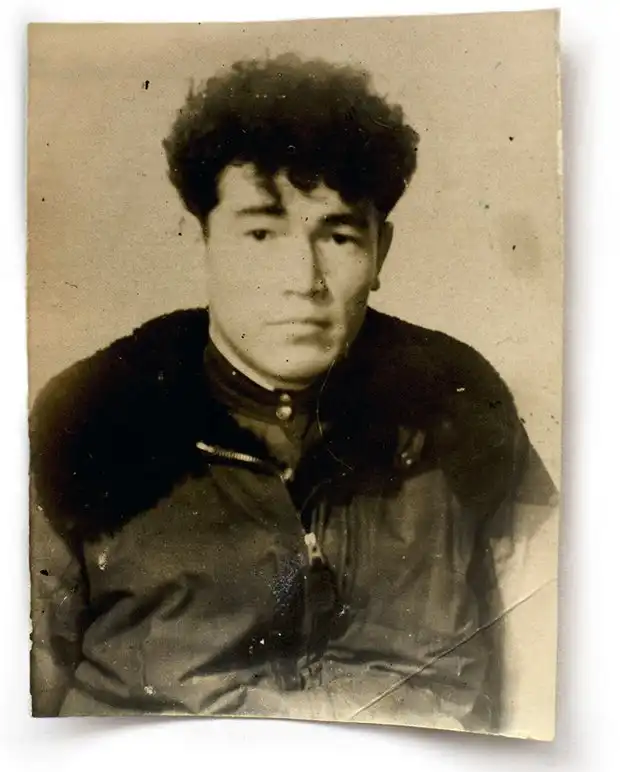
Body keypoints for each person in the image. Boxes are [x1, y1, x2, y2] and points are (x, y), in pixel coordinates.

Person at [29, 54, 557, 729]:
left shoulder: (459, 411)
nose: (302, 280)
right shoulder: (88, 425)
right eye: (261, 231)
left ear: (381, 251)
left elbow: (552, 659)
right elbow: (28, 697)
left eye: (338, 235)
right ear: (203, 240)